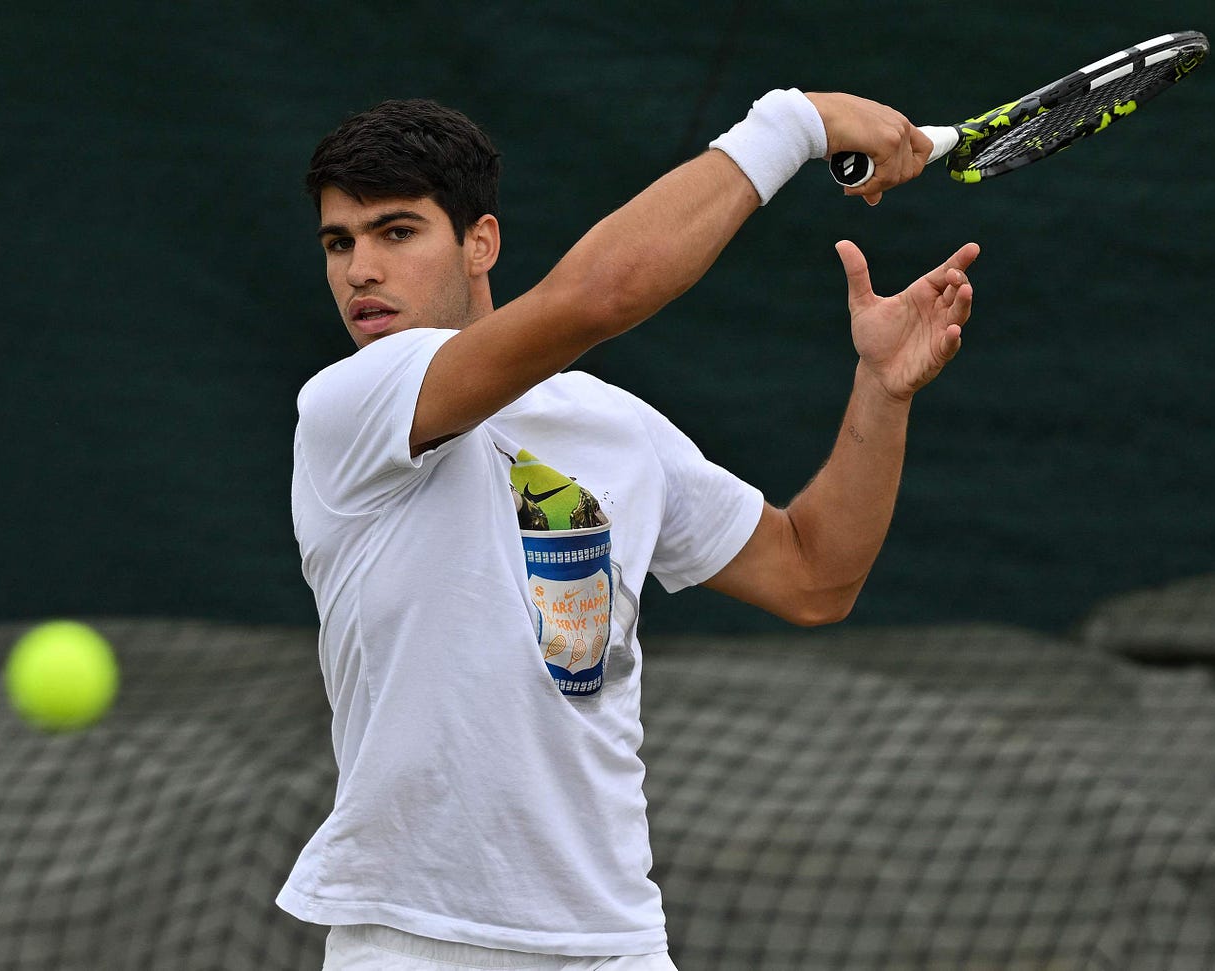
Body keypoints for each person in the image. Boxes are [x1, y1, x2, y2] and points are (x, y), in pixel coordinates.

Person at [280, 90, 978, 970]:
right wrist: (794, 122)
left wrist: (883, 388)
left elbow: (815, 576)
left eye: (396, 232)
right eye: (338, 243)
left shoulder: (614, 427)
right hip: (414, 942)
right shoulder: (349, 404)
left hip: (614, 943)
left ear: (480, 242)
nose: (359, 270)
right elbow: (599, 297)